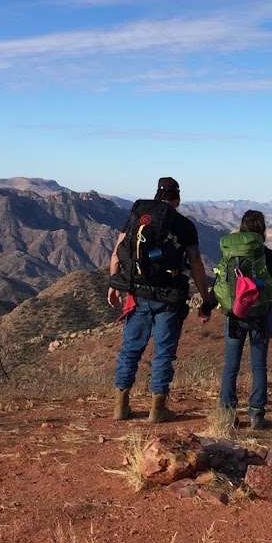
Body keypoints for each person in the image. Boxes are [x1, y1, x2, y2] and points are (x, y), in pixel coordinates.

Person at [107, 177, 212, 423]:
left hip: (138, 293)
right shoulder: (184, 225)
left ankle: (121, 406)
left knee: (130, 349)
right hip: (170, 297)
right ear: (177, 197)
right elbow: (196, 264)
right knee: (163, 353)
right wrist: (206, 298)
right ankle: (157, 408)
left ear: (157, 195)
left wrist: (114, 284)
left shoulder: (138, 218)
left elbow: (118, 251)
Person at [213, 209, 272, 430]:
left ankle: (227, 415)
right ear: (262, 230)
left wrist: (207, 307)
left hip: (234, 315)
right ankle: (256, 415)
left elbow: (219, 283)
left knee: (230, 366)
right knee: (259, 366)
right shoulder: (269, 257)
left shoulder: (230, 257)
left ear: (241, 229)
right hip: (261, 316)